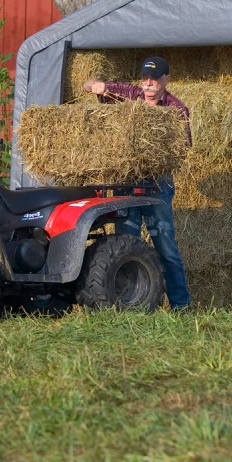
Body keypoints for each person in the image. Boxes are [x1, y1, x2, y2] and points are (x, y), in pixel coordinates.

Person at [83, 56, 191, 311]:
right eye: (145, 78)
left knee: (165, 245)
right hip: (126, 183)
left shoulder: (176, 109)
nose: (148, 84)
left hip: (157, 185)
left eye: (154, 79)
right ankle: (125, 303)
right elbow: (87, 84)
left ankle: (181, 306)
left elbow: (183, 149)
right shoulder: (129, 95)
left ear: (166, 80)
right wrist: (95, 86)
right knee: (123, 244)